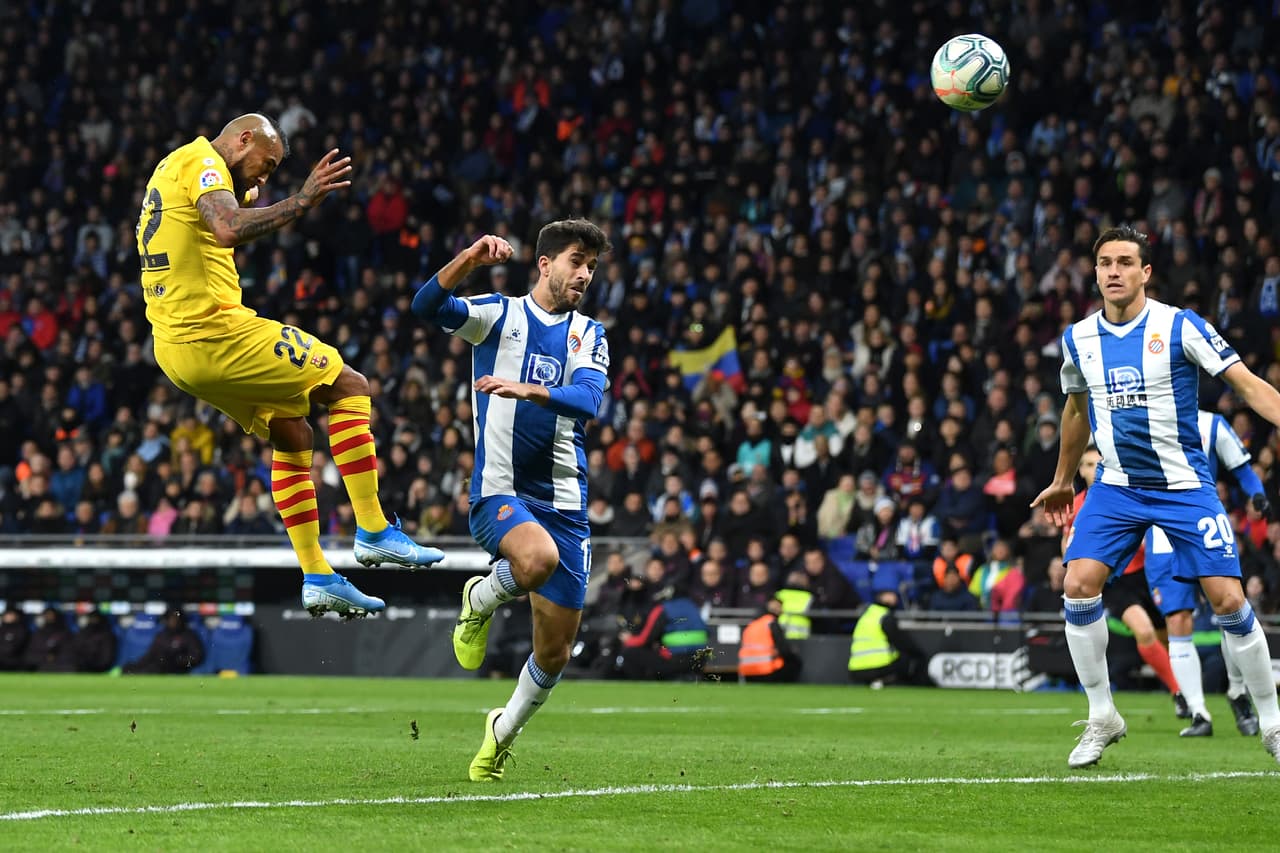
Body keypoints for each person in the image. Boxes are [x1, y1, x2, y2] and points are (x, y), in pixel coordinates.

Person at [136, 113, 443, 618]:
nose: (266, 175)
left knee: (293, 431)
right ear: (244, 139)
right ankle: (373, 529)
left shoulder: (175, 166)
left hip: (175, 349)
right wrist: (301, 200)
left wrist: (258, 195)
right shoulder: (204, 164)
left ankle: (318, 576)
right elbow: (227, 226)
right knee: (349, 385)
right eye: (267, 163)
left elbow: (218, 213)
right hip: (215, 333)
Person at [1032, 225, 1280, 768]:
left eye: (1125, 262)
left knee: (1229, 601)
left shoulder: (1181, 326)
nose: (1113, 271)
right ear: (1095, 272)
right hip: (1117, 485)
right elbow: (1075, 409)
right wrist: (1064, 477)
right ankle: (1102, 716)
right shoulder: (1078, 338)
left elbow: (1246, 384)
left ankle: (1273, 723)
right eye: (1105, 263)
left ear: (1145, 272)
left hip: (1183, 486)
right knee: (1077, 584)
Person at [411, 220, 612, 782]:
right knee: (536, 558)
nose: (585, 274)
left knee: (555, 653)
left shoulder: (589, 334)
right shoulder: (497, 316)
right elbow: (426, 306)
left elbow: (588, 400)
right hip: (498, 493)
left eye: (592, 266)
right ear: (545, 264)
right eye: (576, 261)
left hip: (566, 503)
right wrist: (469, 259)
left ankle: (501, 732)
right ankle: (481, 596)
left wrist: (529, 389)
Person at [1141, 411, 1267, 737]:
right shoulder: (1141, 415)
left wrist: (1257, 493)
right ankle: (1199, 713)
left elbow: (1241, 467)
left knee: (1231, 610)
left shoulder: (1211, 423)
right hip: (1162, 536)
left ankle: (1237, 691)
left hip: (1205, 527)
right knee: (1177, 619)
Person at [1063, 446, 1185, 716]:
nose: (1092, 469)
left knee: (1167, 639)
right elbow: (1067, 545)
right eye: (1087, 464)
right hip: (1114, 581)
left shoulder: (1127, 497)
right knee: (1144, 632)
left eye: (1097, 463)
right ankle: (1180, 693)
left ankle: (1188, 695)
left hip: (1145, 575)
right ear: (1080, 470)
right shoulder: (1078, 505)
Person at [615, 590, 711, 680]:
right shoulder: (692, 606)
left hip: (675, 660)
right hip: (699, 660)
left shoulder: (663, 608)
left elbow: (645, 638)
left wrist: (628, 640)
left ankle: (643, 684)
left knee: (629, 653)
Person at [847, 590, 923, 686]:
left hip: (855, 670)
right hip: (879, 668)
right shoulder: (884, 617)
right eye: (892, 595)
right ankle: (885, 681)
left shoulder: (866, 616)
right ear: (884, 597)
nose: (895, 598)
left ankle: (877, 681)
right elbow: (903, 643)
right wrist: (919, 654)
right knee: (908, 659)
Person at [737, 597, 803, 683]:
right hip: (766, 671)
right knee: (794, 661)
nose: (781, 610)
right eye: (779, 607)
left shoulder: (752, 624)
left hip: (747, 671)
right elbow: (784, 649)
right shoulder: (771, 622)